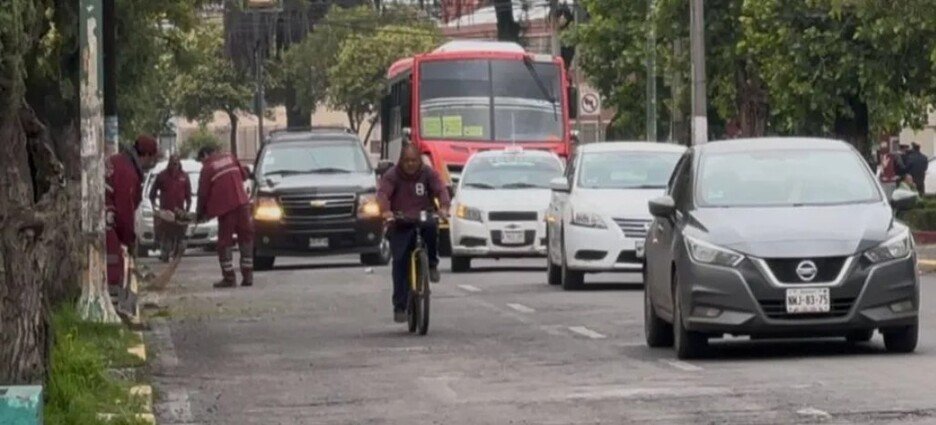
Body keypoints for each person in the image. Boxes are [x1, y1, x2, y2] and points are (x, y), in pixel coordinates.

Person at [377, 144, 451, 323]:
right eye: (407, 161)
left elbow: (441, 189)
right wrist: (386, 211)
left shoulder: (428, 173)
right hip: (400, 222)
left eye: (414, 161)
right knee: (400, 262)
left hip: (422, 217)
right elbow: (382, 195)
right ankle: (400, 306)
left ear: (419, 161)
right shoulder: (392, 176)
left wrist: (443, 206)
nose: (410, 164)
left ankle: (432, 265)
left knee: (433, 228)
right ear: (401, 161)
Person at [106, 136, 159, 299]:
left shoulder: (118, 161)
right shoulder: (128, 173)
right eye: (153, 159)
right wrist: (129, 239)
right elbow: (125, 211)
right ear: (146, 155)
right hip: (106, 218)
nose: (152, 164)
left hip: (103, 214)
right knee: (114, 260)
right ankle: (114, 300)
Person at [196, 146, 254, 288]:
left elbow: (203, 194)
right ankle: (248, 277)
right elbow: (244, 175)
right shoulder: (230, 157)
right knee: (246, 240)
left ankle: (229, 278)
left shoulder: (208, 167)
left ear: (205, 155)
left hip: (226, 208)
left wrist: (200, 213)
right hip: (242, 204)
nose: (202, 164)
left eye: (201, 160)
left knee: (224, 243)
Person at [149, 154, 192, 261]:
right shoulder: (162, 176)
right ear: (169, 163)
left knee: (180, 234)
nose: (174, 165)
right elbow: (152, 193)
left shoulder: (184, 176)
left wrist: (187, 209)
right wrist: (155, 206)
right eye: (173, 163)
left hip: (179, 211)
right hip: (166, 211)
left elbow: (188, 195)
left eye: (176, 163)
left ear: (179, 164)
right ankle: (163, 251)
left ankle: (176, 253)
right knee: (165, 233)